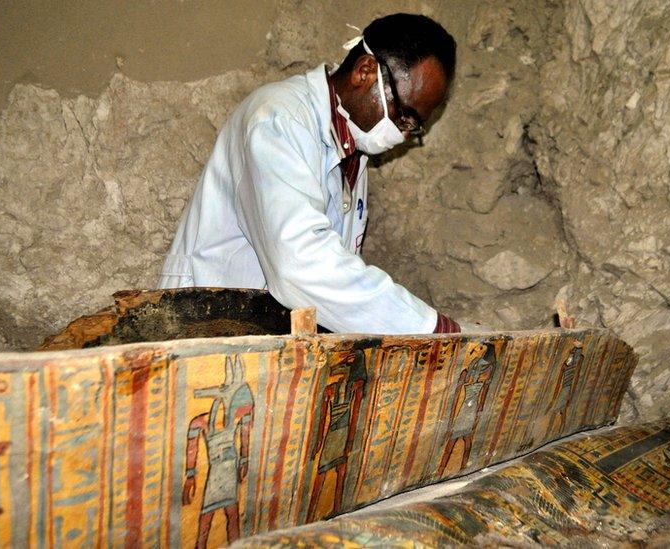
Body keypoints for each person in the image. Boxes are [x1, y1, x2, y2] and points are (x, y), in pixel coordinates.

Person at [159, 13, 464, 334]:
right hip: (202, 326)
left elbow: (335, 277)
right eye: (405, 116)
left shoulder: (352, 146)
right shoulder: (279, 120)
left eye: (414, 128)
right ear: (365, 72)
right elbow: (300, 263)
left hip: (254, 335)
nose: (403, 134)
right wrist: (428, 326)